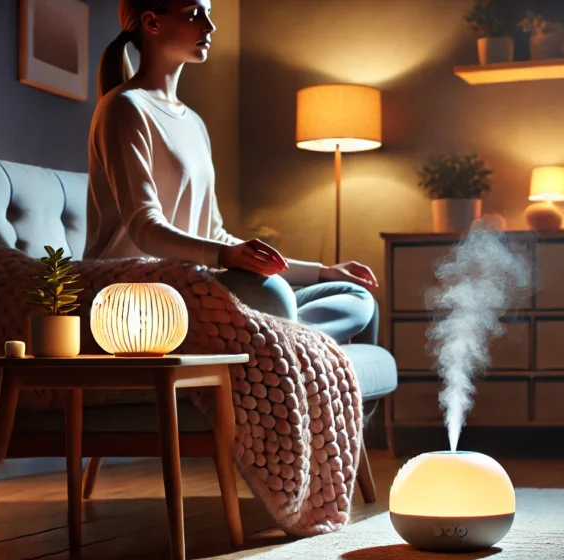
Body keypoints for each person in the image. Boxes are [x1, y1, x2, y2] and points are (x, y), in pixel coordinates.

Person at [87, 0, 378, 343]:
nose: (210, 27)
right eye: (195, 14)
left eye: (209, 14)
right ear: (152, 23)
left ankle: (277, 340)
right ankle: (283, 340)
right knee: (273, 295)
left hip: (196, 285)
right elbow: (144, 228)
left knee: (357, 296)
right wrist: (226, 256)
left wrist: (322, 271)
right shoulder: (124, 107)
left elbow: (214, 233)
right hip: (143, 295)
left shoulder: (193, 122)